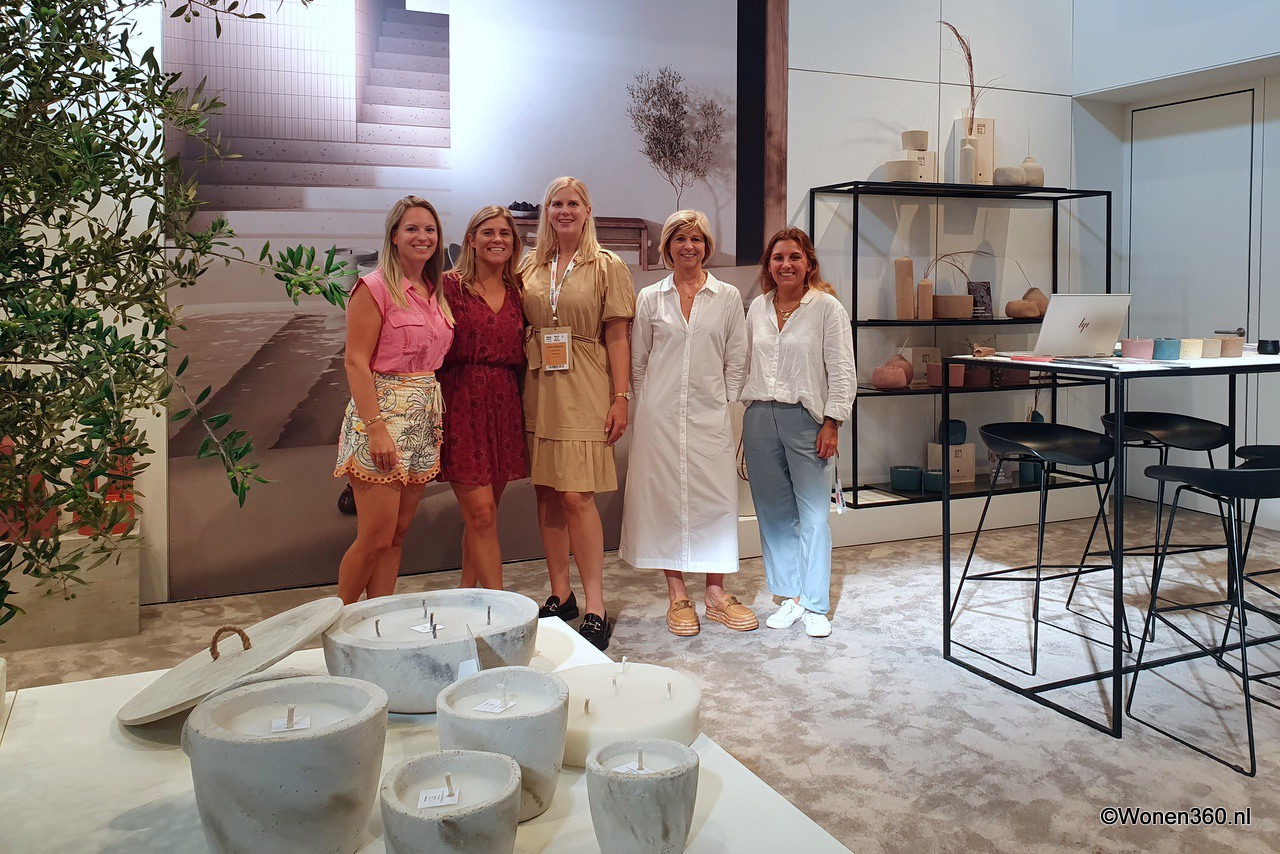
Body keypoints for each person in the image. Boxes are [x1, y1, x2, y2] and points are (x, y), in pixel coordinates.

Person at [619, 210, 756, 637]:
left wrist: (726, 407)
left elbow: (737, 358)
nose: (688, 246)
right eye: (679, 239)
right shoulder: (650, 297)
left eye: (696, 239)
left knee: (717, 497)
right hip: (659, 415)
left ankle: (715, 592)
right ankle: (677, 593)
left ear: (707, 246)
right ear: (668, 247)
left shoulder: (727, 296)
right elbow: (639, 360)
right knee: (663, 496)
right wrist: (649, 405)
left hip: (710, 412)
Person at [521, 176, 635, 650]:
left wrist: (621, 396)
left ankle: (595, 605)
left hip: (586, 385)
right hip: (538, 386)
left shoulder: (607, 266)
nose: (564, 211)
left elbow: (618, 335)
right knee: (548, 493)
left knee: (576, 496)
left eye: (573, 203)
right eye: (556, 203)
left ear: (587, 210)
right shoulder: (530, 265)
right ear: (546, 211)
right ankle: (561, 594)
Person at [333, 196, 453, 604]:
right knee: (374, 538)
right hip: (382, 417)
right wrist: (376, 429)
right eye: (412, 229)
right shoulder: (374, 287)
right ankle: (338, 622)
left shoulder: (433, 291)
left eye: (430, 229)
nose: (422, 237)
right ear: (394, 236)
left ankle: (375, 621)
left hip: (423, 421)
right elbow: (355, 362)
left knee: (397, 535)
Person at [740, 228, 855, 638]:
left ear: (809, 264)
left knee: (813, 516)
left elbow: (842, 370)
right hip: (759, 418)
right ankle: (790, 596)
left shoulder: (827, 308)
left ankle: (816, 604)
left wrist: (833, 422)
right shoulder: (757, 308)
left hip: (809, 421)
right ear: (768, 265)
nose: (785, 264)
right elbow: (743, 364)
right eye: (778, 258)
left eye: (794, 257)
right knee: (773, 515)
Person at [438, 205, 528, 590]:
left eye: (505, 233)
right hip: (460, 402)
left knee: (485, 514)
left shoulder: (519, 291)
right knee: (482, 513)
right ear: (471, 240)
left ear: (514, 243)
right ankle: (500, 607)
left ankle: (466, 592)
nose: (497, 239)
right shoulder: (448, 287)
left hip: (504, 404)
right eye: (488, 232)